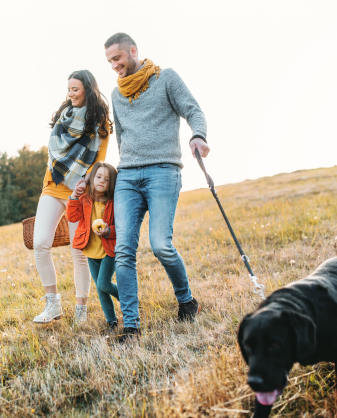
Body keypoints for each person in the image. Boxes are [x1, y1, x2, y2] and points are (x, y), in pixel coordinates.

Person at [104, 32, 211, 342]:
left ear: (132, 51)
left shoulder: (166, 79)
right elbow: (121, 135)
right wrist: (125, 167)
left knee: (161, 244)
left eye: (118, 58)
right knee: (124, 250)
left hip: (163, 171)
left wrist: (199, 135)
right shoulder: (116, 94)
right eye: (110, 61)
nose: (114, 66)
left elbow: (193, 111)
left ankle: (187, 300)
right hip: (128, 176)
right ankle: (132, 326)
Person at [33, 70, 112, 324]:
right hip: (52, 184)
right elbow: (54, 154)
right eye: (68, 89)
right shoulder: (62, 117)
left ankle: (81, 311)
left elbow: (99, 163)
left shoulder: (100, 125)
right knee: (40, 243)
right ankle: (53, 304)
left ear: (87, 90)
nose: (70, 94)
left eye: (75, 89)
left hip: (79, 192)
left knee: (79, 251)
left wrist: (84, 187)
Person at [66, 162, 119, 330]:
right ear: (92, 178)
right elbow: (72, 217)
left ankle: (127, 299)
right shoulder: (84, 200)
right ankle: (111, 320)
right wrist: (74, 196)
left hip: (108, 251)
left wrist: (108, 231)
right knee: (100, 289)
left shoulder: (114, 202)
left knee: (103, 283)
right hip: (90, 250)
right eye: (99, 176)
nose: (102, 181)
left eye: (107, 179)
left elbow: (122, 227)